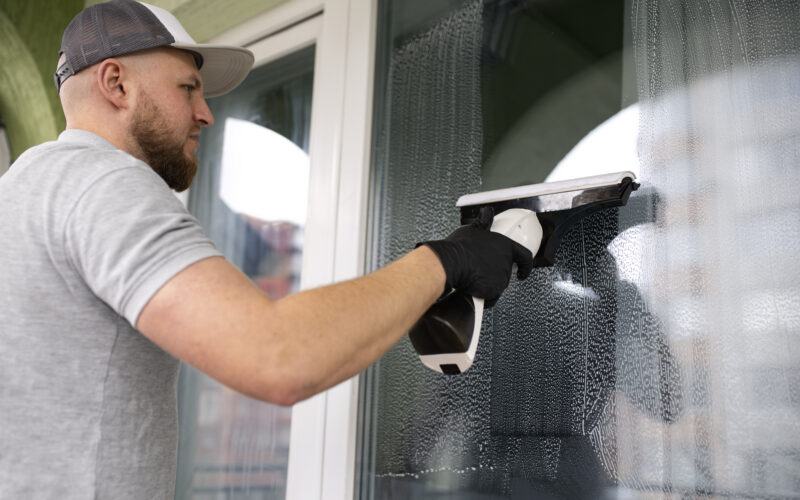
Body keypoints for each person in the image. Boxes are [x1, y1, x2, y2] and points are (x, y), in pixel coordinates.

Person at [0, 0, 534, 498]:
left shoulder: (23, 191)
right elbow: (278, 358)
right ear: (116, 83)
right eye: (188, 88)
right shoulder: (105, 183)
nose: (205, 113)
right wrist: (447, 261)